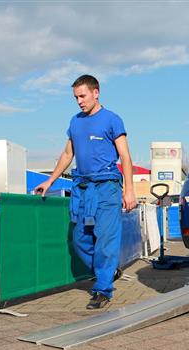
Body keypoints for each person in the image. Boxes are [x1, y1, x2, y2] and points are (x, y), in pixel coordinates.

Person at [35, 74, 137, 309]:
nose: (79, 101)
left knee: (105, 239)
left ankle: (102, 289)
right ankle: (108, 271)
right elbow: (68, 154)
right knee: (79, 239)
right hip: (82, 187)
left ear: (96, 92)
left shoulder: (112, 120)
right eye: (76, 97)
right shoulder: (75, 121)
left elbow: (125, 156)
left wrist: (129, 191)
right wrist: (50, 181)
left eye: (82, 96)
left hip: (107, 187)